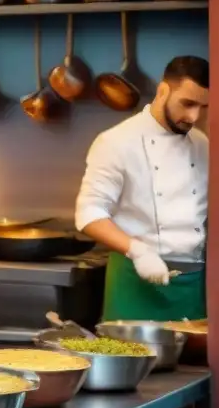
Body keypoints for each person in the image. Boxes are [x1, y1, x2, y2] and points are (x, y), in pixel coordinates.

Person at [76, 55, 209, 321]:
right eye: (187, 103)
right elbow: (89, 213)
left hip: (192, 288)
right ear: (162, 91)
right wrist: (138, 251)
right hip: (135, 283)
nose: (193, 116)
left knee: (193, 363)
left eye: (203, 106)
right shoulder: (116, 142)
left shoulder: (202, 144)